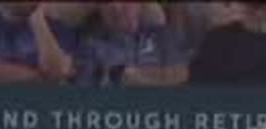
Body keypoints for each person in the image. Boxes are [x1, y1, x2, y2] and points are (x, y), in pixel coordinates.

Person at [53, 0, 192, 84]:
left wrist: (140, 78)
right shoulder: (90, 45)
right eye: (107, 3)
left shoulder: (161, 35)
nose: (116, 7)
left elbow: (182, 74)